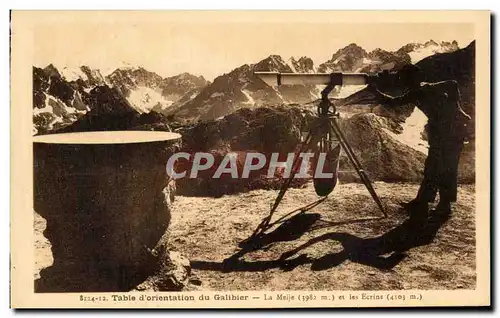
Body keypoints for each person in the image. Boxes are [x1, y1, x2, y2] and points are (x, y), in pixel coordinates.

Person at [366, 64, 471, 218]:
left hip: (451, 132)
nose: (404, 83)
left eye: (405, 79)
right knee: (433, 166)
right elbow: (393, 102)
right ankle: (422, 202)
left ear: (411, 79)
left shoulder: (426, 89)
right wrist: (375, 90)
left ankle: (444, 206)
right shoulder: (416, 92)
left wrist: (459, 109)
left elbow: (453, 84)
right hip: (442, 132)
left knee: (446, 168)